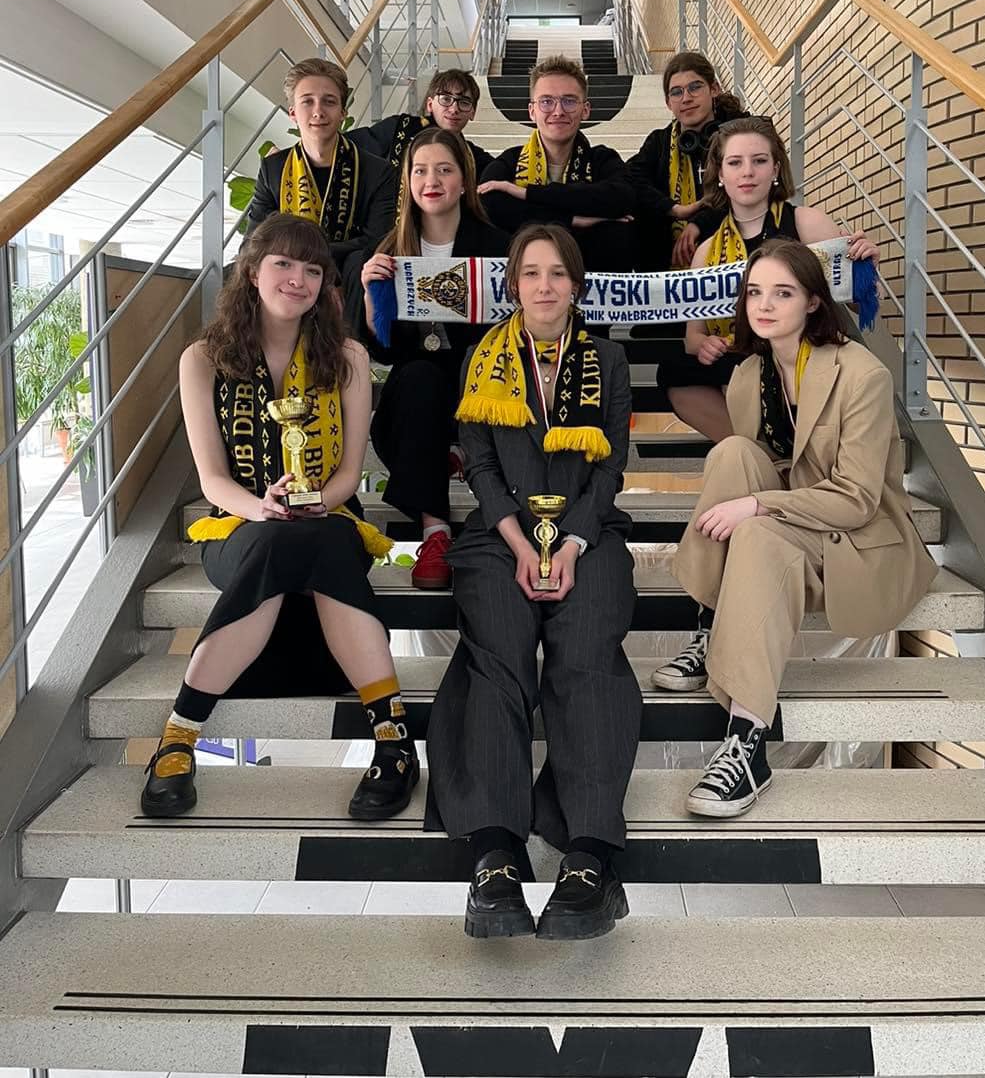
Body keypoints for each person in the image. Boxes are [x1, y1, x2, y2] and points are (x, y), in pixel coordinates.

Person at [140, 214, 418, 823]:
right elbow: (213, 480)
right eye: (284, 264)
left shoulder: (347, 356)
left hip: (330, 515)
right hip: (237, 525)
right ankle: (393, 736)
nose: (298, 279)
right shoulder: (203, 359)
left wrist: (323, 501)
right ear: (252, 271)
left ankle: (179, 735)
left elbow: (349, 472)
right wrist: (261, 508)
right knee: (273, 543)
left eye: (313, 270)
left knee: (322, 537)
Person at [669, 241, 937, 816]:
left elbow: (857, 500)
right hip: (800, 513)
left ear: (814, 301)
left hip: (858, 532)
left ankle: (747, 743)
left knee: (758, 531)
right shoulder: (748, 374)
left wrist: (759, 507)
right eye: (755, 292)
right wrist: (759, 501)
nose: (764, 305)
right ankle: (710, 625)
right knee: (732, 454)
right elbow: (766, 464)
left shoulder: (862, 375)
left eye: (782, 293)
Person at [425, 223, 640, 941]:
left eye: (557, 273)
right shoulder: (482, 359)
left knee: (588, 651)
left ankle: (589, 855)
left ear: (576, 285)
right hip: (500, 534)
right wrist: (520, 543)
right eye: (530, 273)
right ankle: (494, 853)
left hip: (587, 532)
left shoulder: (608, 360)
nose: (544, 286)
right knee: (496, 654)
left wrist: (571, 544)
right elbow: (480, 465)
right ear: (512, 284)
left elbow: (610, 467)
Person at [657, 117, 879, 450]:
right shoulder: (706, 251)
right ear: (720, 175)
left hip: (803, 353)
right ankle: (763, 455)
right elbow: (693, 337)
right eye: (735, 162)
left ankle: (794, 451)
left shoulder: (807, 224)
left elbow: (858, 304)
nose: (747, 172)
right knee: (674, 370)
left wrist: (865, 270)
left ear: (775, 169)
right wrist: (705, 345)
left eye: (759, 161)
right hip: (743, 357)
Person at [361, 127, 508, 592]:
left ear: (464, 181)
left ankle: (458, 448)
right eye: (420, 171)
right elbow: (384, 349)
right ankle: (436, 532)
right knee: (420, 376)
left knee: (465, 362)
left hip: (480, 391)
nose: (432, 181)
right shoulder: (390, 250)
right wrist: (370, 295)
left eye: (444, 170)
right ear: (407, 182)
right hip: (415, 402)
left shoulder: (500, 247)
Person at [246, 59, 397, 334]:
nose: (318, 111)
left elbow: (377, 240)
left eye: (329, 102)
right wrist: (303, 263)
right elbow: (254, 238)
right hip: (288, 268)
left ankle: (350, 349)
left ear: (342, 112)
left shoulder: (378, 171)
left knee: (362, 262)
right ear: (293, 113)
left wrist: (322, 270)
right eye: (308, 101)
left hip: (347, 272)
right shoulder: (274, 169)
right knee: (240, 269)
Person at [477, 55, 636, 272]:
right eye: (546, 101)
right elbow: (488, 203)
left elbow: (623, 197)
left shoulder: (602, 159)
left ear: (585, 110)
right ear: (532, 111)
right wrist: (572, 220)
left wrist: (527, 194)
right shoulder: (511, 160)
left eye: (569, 101)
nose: (558, 111)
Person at [625, 51, 749, 270]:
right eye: (676, 92)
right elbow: (630, 178)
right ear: (668, 103)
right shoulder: (659, 142)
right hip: (668, 257)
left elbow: (750, 189)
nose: (686, 98)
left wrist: (699, 223)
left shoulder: (744, 133)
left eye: (695, 87)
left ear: (714, 89)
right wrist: (675, 209)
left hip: (738, 240)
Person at [351, 68, 494, 185]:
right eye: (446, 99)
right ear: (430, 104)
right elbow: (349, 147)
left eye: (464, 102)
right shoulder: (400, 128)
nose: (454, 109)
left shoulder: (472, 157)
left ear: (473, 112)